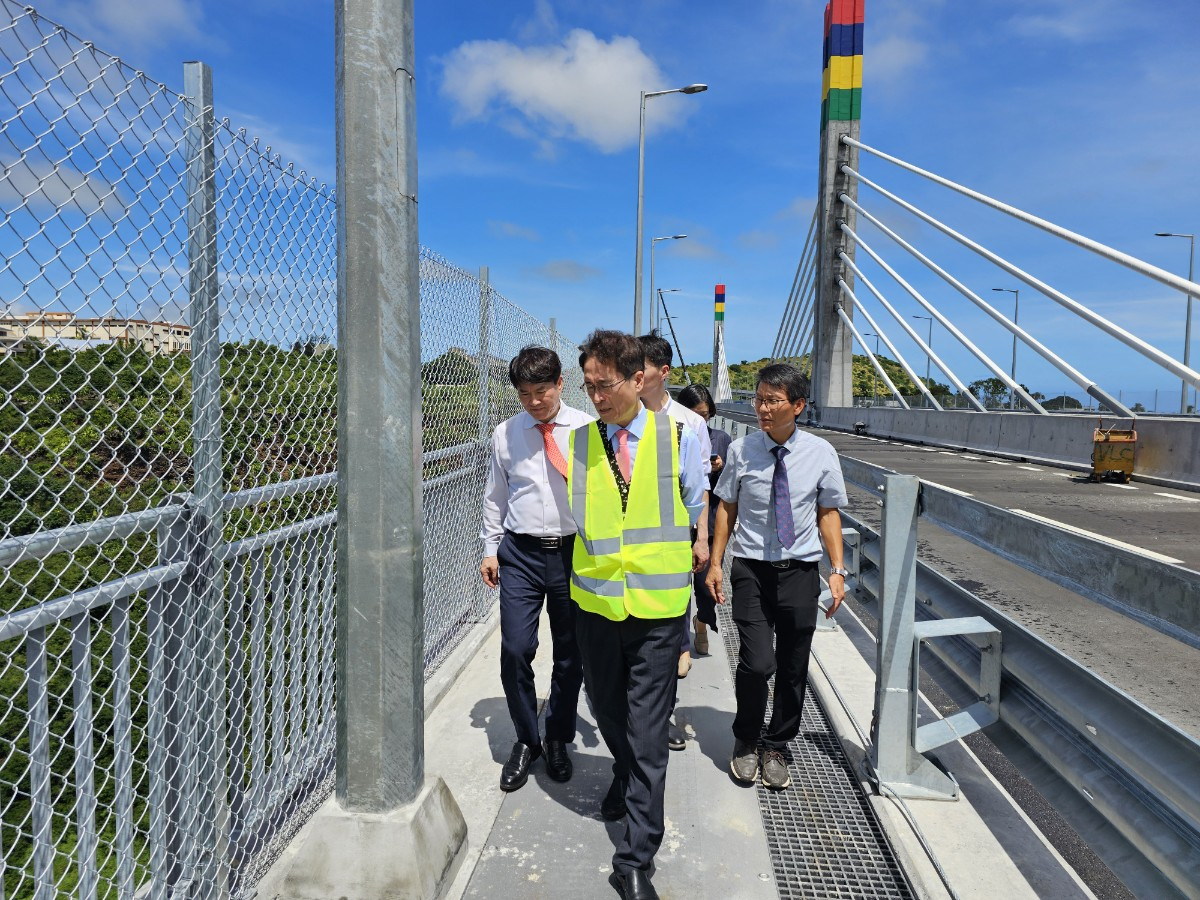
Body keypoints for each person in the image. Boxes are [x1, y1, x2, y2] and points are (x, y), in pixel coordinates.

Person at [569, 329, 706, 900]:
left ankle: (634, 859)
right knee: (606, 711)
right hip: (597, 608)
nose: (596, 395)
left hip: (656, 612)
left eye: (605, 385)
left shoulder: (681, 434)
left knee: (648, 733)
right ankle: (624, 772)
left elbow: (694, 506)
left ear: (637, 378)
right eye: (589, 386)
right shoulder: (579, 443)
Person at [705, 363, 849, 791]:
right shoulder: (742, 450)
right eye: (759, 399)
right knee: (757, 662)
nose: (762, 409)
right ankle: (746, 738)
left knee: (792, 664)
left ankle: (777, 744)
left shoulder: (821, 453)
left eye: (772, 401)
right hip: (751, 568)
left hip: (800, 572)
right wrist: (716, 562)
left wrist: (837, 570)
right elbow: (726, 507)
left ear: (798, 406)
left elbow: (828, 512)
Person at [479, 345, 592, 792]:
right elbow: (495, 496)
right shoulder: (506, 433)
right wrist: (490, 549)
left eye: (541, 391)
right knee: (515, 648)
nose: (534, 401)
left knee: (570, 654)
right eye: (524, 393)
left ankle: (559, 738)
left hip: (572, 554)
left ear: (560, 384)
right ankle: (528, 739)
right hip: (520, 554)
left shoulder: (586, 430)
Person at [637, 330, 711, 680]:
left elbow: (701, 488)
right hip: (633, 536)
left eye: (642, 367)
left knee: (673, 600)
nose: (634, 374)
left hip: (676, 532)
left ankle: (680, 646)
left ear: (663, 372)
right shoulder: (617, 420)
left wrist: (701, 538)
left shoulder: (691, 423)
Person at [676, 382, 731, 656]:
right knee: (677, 586)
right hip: (677, 521)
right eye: (697, 414)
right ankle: (682, 645)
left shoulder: (721, 439)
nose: (702, 420)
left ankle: (702, 622)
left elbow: (729, 488)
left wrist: (716, 469)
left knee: (704, 585)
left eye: (707, 414)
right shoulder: (671, 436)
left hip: (707, 525)